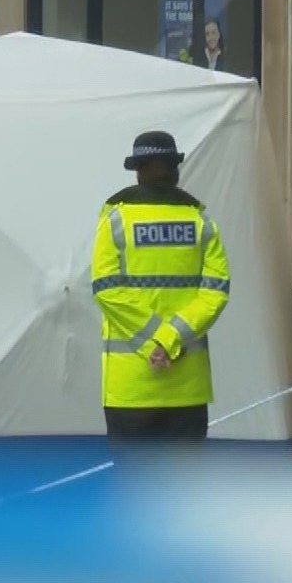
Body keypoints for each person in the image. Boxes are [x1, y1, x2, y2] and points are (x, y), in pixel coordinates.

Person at [90, 130, 232, 449]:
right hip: (187, 390)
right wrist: (169, 340)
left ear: (138, 171)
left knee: (133, 490)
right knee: (183, 492)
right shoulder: (201, 223)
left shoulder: (115, 221)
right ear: (175, 169)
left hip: (130, 389)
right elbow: (215, 292)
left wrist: (153, 341)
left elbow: (106, 289)